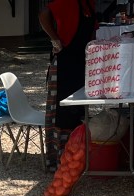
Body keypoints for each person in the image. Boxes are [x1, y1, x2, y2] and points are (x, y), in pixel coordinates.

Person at [40, 0, 97, 171]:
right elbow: (43, 14)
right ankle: (59, 159)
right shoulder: (69, 2)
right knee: (61, 111)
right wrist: (55, 39)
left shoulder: (89, 5)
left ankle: (76, 156)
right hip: (64, 64)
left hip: (80, 64)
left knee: (77, 111)